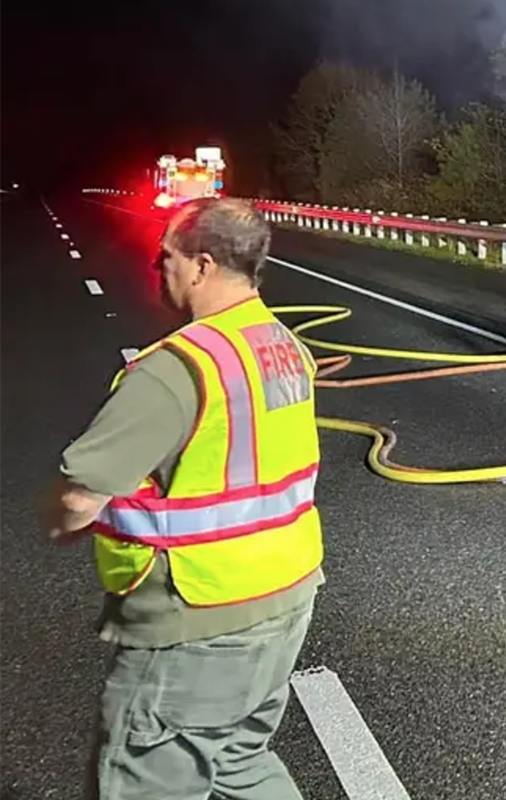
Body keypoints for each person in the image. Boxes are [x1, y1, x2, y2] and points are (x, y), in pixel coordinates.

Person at [42, 197, 323, 800]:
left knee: (143, 779)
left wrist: (60, 520)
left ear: (200, 266)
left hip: (197, 614)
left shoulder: (176, 369)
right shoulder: (285, 348)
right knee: (237, 761)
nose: (155, 265)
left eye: (165, 255)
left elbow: (81, 494)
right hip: (284, 598)